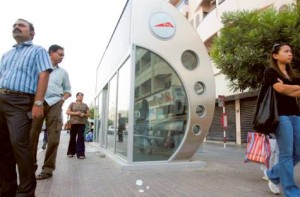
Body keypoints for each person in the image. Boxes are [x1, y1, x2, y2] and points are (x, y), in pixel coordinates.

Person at [0, 18, 52, 196]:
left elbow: (44, 75)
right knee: (3, 148)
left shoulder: (38, 51)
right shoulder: (6, 54)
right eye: (14, 25)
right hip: (1, 100)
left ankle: (26, 192)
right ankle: (7, 190)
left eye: (21, 25)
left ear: (31, 32)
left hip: (21, 102)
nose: (16, 27)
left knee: (19, 145)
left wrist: (38, 102)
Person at [262, 43, 300, 196]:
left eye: (290, 51)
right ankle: (291, 191)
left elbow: (293, 93)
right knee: (286, 153)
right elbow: (280, 89)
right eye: (285, 51)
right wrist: (293, 89)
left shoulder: (293, 75)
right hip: (280, 115)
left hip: (296, 115)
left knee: (298, 152)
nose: (289, 53)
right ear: (275, 55)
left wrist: (290, 89)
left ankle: (272, 174)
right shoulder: (270, 72)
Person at [30, 44, 71, 180]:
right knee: (32, 137)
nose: (62, 57)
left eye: (63, 55)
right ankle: (29, 168)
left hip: (55, 104)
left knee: (53, 139)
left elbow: (68, 90)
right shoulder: (37, 68)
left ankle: (47, 169)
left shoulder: (63, 72)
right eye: (60, 54)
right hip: (38, 103)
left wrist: (62, 101)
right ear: (51, 53)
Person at [66, 92, 89, 159]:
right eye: (79, 95)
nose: (81, 97)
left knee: (81, 137)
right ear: (76, 97)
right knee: (72, 137)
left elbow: (88, 114)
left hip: (82, 123)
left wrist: (84, 115)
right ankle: (71, 152)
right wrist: (76, 113)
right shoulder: (72, 104)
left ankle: (81, 153)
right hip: (73, 123)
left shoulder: (85, 105)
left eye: (82, 96)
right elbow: (67, 112)